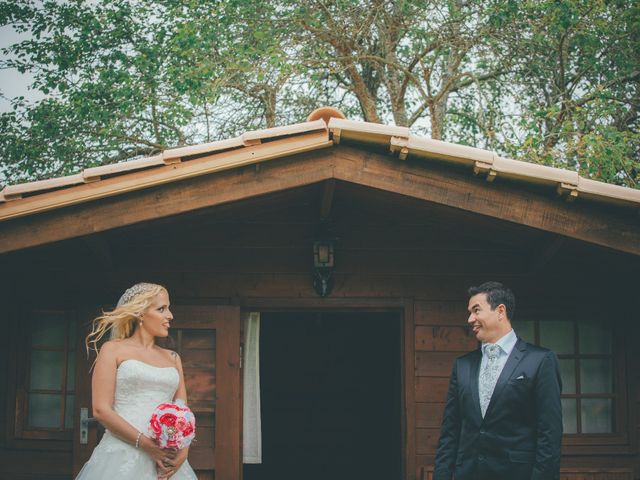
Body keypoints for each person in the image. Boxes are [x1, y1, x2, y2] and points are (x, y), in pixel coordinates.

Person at [433, 281, 562, 480]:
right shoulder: (462, 366)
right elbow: (450, 432)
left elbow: (549, 435)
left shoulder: (541, 360)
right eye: (469, 312)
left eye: (476, 310)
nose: (470, 319)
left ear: (500, 311)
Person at [76, 282, 197, 479]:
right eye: (161, 309)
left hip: (166, 460)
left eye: (169, 308)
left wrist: (184, 451)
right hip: (122, 454)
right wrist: (148, 446)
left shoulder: (173, 358)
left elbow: (183, 412)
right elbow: (101, 410)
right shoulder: (112, 349)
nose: (170, 315)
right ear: (140, 313)